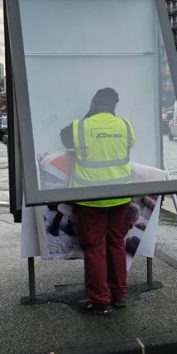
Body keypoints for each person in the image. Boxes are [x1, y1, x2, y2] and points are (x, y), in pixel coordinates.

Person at [60, 87, 135, 315]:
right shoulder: (125, 126)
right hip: (120, 196)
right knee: (116, 244)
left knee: (95, 249)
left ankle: (100, 300)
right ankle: (119, 294)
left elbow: (63, 139)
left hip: (90, 198)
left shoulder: (80, 126)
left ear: (93, 103)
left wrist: (88, 116)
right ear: (115, 106)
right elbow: (129, 146)